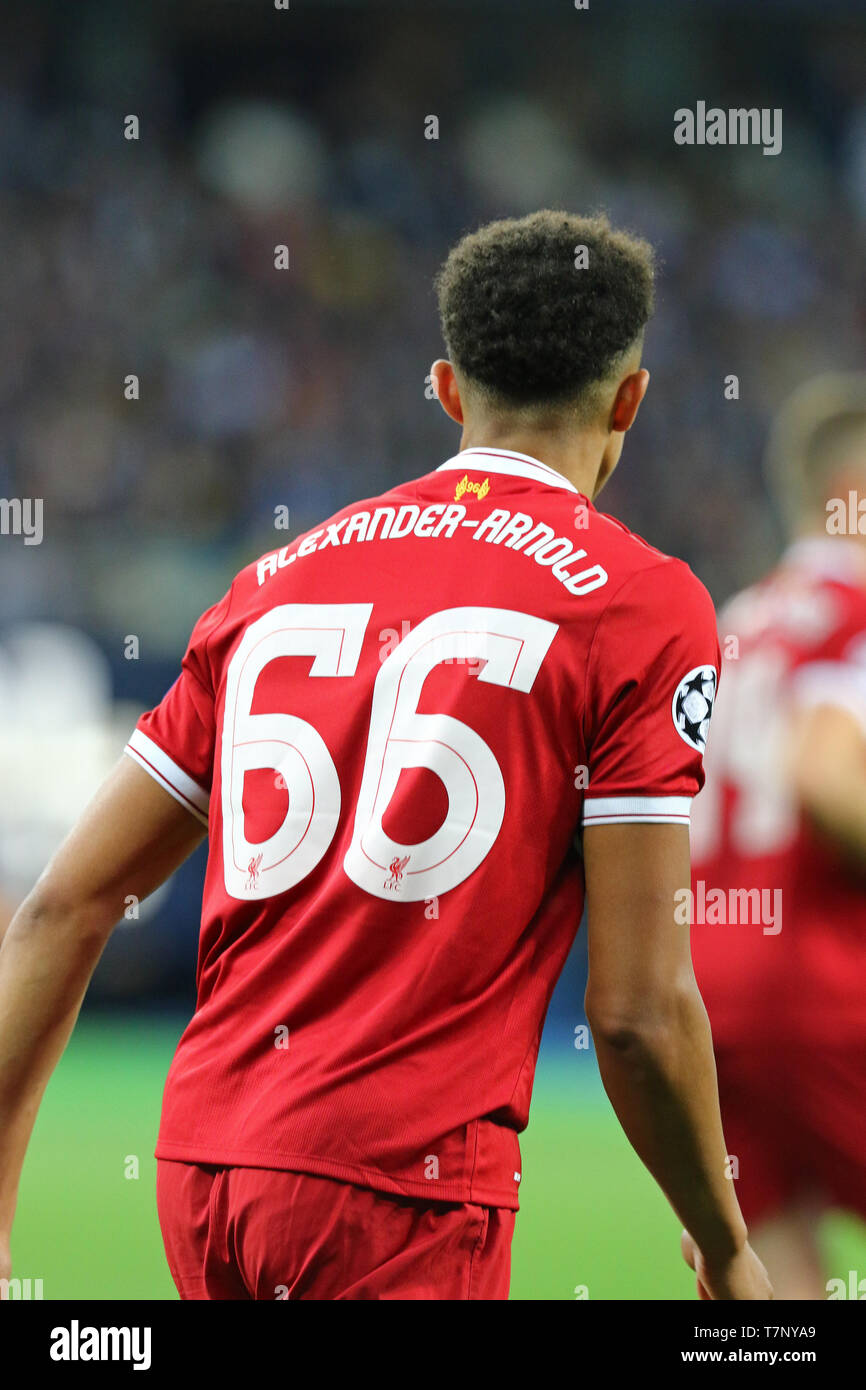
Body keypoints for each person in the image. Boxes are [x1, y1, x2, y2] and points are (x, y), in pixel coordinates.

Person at [0, 210, 770, 1301]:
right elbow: (635, 1011)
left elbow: (62, 906)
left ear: (448, 390)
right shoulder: (637, 603)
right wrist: (723, 1237)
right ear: (629, 402)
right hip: (395, 1187)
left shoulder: (273, 581)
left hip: (203, 1172)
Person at [690, 374, 866, 1300]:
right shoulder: (857, 612)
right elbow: (827, 774)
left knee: (769, 1271)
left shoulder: (734, 626)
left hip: (711, 991)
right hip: (825, 980)